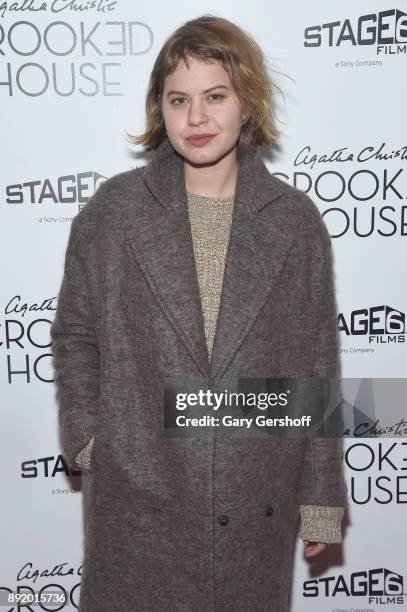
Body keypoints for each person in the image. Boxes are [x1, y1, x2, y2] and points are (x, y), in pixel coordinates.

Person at [51, 14, 348, 612]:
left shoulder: (295, 222)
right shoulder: (116, 210)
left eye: (216, 96)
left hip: (253, 499)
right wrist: (88, 440)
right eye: (179, 99)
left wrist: (320, 497)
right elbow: (76, 332)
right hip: (139, 496)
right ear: (160, 109)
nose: (197, 117)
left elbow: (316, 365)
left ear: (248, 103)